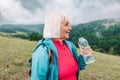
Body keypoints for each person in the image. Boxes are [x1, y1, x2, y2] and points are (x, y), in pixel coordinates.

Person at [31, 13, 92, 80]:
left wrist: (83, 56)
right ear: (55, 26)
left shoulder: (70, 46)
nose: (70, 28)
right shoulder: (43, 51)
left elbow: (78, 67)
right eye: (66, 25)